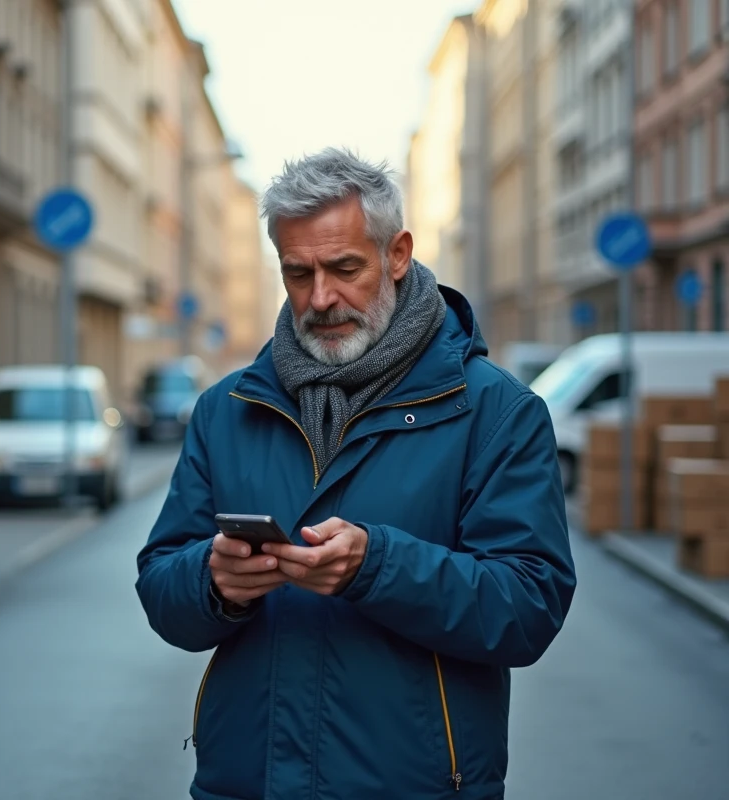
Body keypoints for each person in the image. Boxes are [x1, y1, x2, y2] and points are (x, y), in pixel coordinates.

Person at [135, 147, 576, 800]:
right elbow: (162, 588)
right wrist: (213, 580)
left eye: (344, 268)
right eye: (297, 273)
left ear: (397, 254)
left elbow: (528, 606)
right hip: (245, 785)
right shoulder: (226, 411)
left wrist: (376, 567)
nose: (320, 298)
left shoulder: (498, 412)